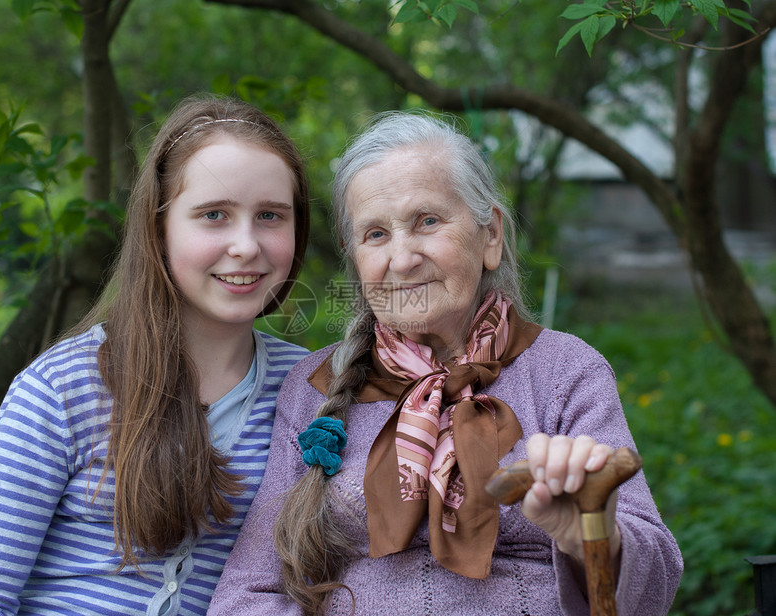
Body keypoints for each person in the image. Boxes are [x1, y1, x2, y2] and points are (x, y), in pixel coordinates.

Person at [208, 111, 683, 615]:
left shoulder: (565, 372)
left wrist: (591, 531)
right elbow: (246, 593)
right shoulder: (316, 389)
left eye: (427, 221)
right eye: (375, 235)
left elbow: (652, 589)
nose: (403, 257)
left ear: (491, 236)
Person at [0, 95, 311, 615]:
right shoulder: (64, 388)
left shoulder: (308, 388)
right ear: (159, 229)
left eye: (270, 215)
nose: (245, 245)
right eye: (213, 215)